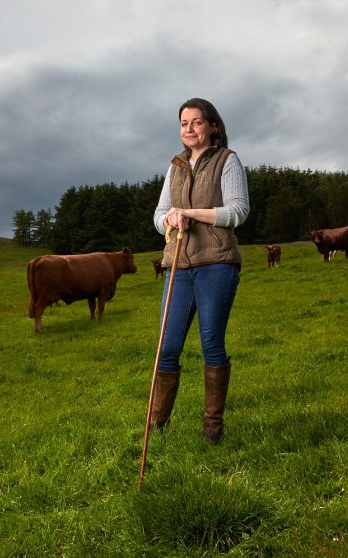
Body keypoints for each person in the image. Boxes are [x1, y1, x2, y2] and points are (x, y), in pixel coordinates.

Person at [150, 98, 250, 443]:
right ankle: (157, 427)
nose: (188, 129)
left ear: (212, 127)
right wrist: (171, 217)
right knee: (167, 346)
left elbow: (237, 211)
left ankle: (212, 429)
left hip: (216, 264)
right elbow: (159, 214)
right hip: (178, 265)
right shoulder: (175, 166)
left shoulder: (228, 160)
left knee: (211, 343)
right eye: (183, 123)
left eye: (196, 122)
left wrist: (192, 213)